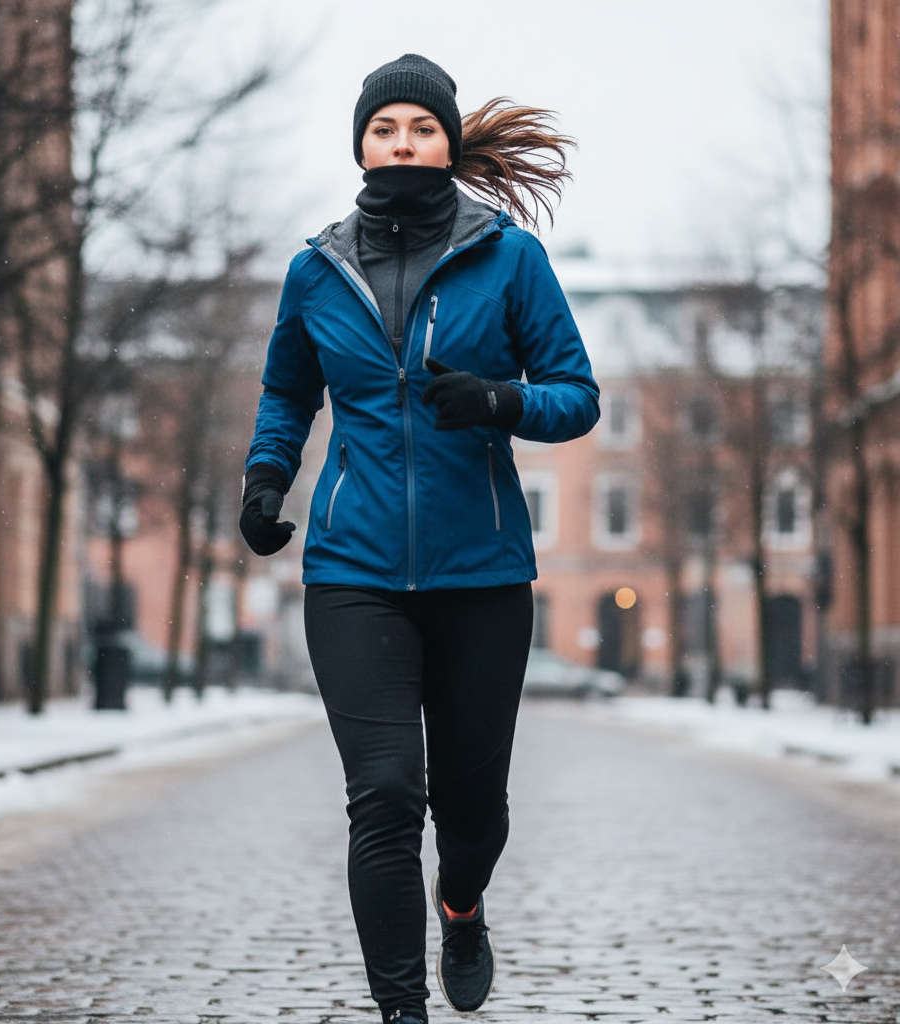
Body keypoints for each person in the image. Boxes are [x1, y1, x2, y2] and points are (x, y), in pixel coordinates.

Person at [240, 54, 599, 1024]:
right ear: (360, 144)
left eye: (420, 127)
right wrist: (266, 474)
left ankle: (464, 901)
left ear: (447, 144)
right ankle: (403, 1013)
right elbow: (287, 388)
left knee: (472, 812)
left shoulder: (508, 258)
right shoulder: (317, 268)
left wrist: (499, 400)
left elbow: (577, 395)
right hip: (353, 570)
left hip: (480, 572)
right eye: (384, 127)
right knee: (386, 793)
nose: (401, 142)